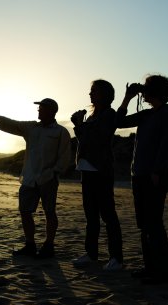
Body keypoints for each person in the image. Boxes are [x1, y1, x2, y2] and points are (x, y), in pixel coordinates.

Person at [0, 98, 71, 258]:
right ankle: (30, 245)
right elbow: (9, 122)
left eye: (41, 108)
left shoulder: (61, 132)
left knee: (50, 211)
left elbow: (65, 156)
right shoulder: (31, 127)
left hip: (48, 179)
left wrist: (54, 173)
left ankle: (49, 245)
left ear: (51, 111)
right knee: (25, 211)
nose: (38, 110)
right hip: (30, 177)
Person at [116, 74, 168, 284]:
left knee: (154, 224)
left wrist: (157, 171)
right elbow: (119, 122)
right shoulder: (146, 115)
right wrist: (127, 98)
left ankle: (164, 272)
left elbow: (165, 143)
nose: (143, 92)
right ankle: (151, 268)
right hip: (139, 175)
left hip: (154, 175)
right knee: (145, 224)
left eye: (146, 89)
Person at [70, 80, 123, 270]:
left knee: (108, 215)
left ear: (105, 94)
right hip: (87, 168)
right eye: (91, 91)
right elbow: (84, 141)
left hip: (101, 169)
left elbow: (97, 140)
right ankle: (91, 254)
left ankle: (116, 258)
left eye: (94, 91)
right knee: (91, 215)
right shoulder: (92, 115)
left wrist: (78, 124)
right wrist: (79, 125)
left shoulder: (109, 114)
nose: (90, 94)